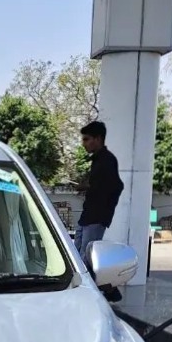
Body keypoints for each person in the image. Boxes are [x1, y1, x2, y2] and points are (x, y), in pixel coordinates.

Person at [76, 120, 125, 302]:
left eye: (87, 139)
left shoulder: (107, 160)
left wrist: (105, 213)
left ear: (98, 139)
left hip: (95, 217)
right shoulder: (98, 160)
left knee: (86, 258)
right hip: (87, 215)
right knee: (78, 255)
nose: (84, 143)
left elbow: (116, 187)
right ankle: (104, 289)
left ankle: (103, 290)